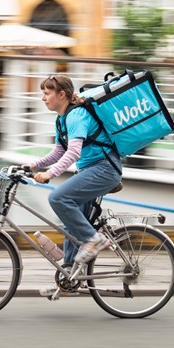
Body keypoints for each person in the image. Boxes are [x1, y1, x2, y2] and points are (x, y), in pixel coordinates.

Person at [25, 74, 122, 298]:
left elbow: (74, 152)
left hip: (104, 169)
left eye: (46, 93)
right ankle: (69, 280)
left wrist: (50, 173)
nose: (43, 97)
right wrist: (33, 165)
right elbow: (59, 151)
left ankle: (95, 240)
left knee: (58, 198)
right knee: (71, 224)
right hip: (91, 170)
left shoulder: (76, 115)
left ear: (62, 95)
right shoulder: (61, 119)